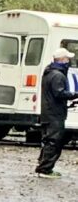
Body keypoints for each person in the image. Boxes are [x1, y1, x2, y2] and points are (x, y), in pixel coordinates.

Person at [35, 46, 78, 177]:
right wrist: (74, 94)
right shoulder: (58, 75)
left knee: (48, 140)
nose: (69, 61)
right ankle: (45, 169)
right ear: (63, 60)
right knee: (54, 141)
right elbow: (59, 93)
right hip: (55, 114)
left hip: (48, 112)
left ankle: (43, 165)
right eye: (67, 59)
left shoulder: (49, 72)